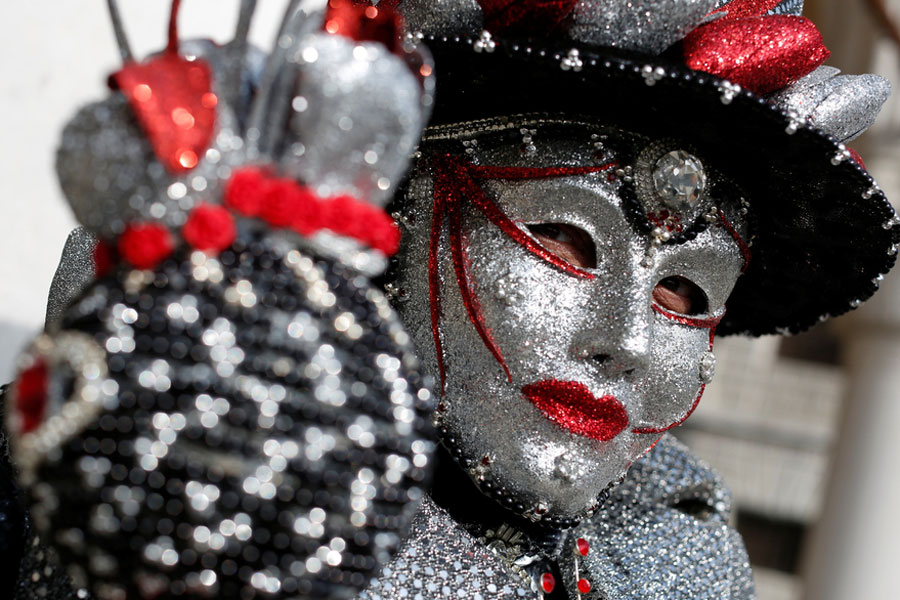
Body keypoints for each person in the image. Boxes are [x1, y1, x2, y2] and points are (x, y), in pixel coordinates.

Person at [2, 1, 897, 599]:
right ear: (398, 217)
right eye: (566, 241)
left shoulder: (677, 557)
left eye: (682, 292)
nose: (620, 341)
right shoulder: (221, 444)